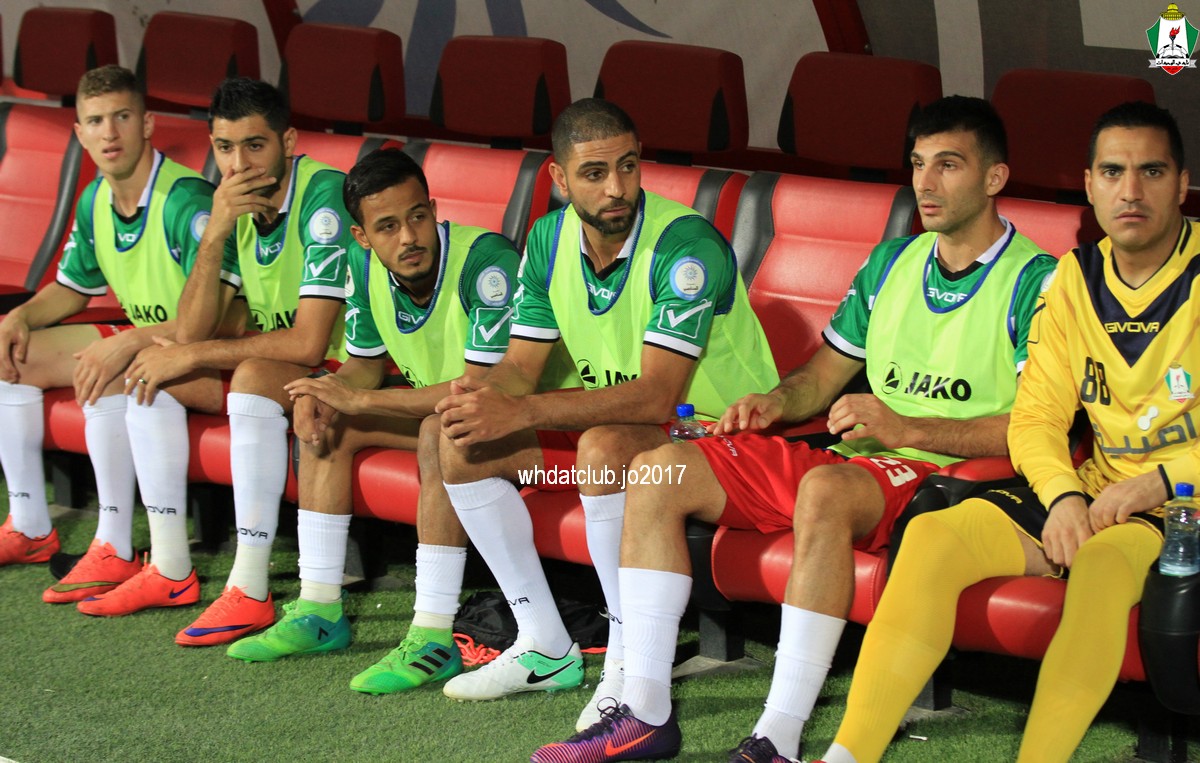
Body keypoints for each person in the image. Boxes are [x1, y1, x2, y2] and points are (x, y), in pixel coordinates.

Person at [530, 95, 1060, 763]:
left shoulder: (1038, 282)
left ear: (994, 178)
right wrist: (775, 401)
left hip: (950, 478)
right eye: (918, 164)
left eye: (948, 165)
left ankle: (776, 739)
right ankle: (644, 712)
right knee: (658, 471)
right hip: (861, 460)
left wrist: (903, 423)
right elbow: (822, 375)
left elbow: (1035, 428)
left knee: (826, 492)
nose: (925, 183)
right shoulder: (892, 262)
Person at [818, 101, 1197, 763]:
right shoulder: (1074, 278)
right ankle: (846, 756)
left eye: (1152, 171)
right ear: (1089, 185)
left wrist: (1159, 481)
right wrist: (1063, 495)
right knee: (934, 538)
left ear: (1183, 184)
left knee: (1103, 564)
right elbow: (1037, 416)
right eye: (1113, 172)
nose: (1131, 191)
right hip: (1099, 488)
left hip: (1182, 499)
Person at [435, 98, 778, 727]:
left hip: (722, 435)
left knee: (601, 448)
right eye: (594, 173)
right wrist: (486, 399)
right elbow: (521, 366)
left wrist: (521, 409)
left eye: (628, 166)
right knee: (458, 438)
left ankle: (625, 662)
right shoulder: (547, 239)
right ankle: (543, 643)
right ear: (560, 179)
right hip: (638, 430)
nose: (616, 188)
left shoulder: (686, 247)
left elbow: (656, 396)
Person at [221, 147, 526, 679]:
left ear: (434, 210)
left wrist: (361, 399)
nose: (408, 237)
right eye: (387, 227)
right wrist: (329, 391)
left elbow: (479, 389)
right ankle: (318, 611)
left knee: (439, 429)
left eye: (417, 217)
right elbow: (363, 364)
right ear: (362, 237)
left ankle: (432, 635)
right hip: (449, 419)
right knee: (331, 419)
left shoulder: (485, 261)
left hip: (527, 428)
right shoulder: (362, 267)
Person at [78, 78, 354, 636]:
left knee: (245, 374)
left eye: (255, 145)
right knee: (149, 370)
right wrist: (216, 232)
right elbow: (192, 329)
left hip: (356, 369)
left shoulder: (323, 195)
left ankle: (248, 587)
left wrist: (193, 353)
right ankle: (169, 567)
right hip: (294, 371)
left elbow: (308, 343)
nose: (239, 164)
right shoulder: (233, 204)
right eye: (225, 148)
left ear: (288, 141)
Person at [0, 65, 214, 605]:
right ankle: (29, 525)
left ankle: (113, 544)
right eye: (96, 121)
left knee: (111, 363)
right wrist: (21, 316)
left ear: (148, 123)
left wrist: (128, 340)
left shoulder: (186, 200)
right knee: (9, 354)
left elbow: (217, 317)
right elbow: (73, 288)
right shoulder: (95, 197)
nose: (110, 133)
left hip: (202, 349)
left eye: (122, 116)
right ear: (79, 132)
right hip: (146, 338)